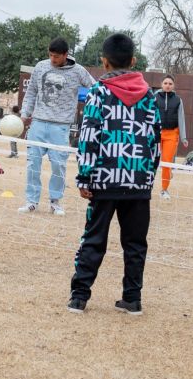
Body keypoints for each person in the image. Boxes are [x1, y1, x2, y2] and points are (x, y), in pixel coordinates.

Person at [68, 33, 160, 316]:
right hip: (138, 182)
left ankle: (79, 297)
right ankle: (132, 299)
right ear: (133, 61)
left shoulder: (98, 93)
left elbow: (89, 136)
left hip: (103, 180)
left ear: (104, 62)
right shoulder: (150, 96)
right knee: (135, 243)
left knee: (94, 238)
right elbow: (155, 140)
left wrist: (85, 176)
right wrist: (148, 178)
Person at [19, 37, 95, 215]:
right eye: (51, 55)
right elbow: (31, 93)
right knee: (32, 164)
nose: (53, 59)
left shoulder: (78, 71)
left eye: (57, 57)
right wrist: (24, 114)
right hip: (38, 123)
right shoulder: (41, 66)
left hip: (61, 126)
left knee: (58, 165)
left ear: (66, 55)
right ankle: (31, 201)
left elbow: (95, 87)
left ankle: (55, 202)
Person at [154, 75, 188, 200]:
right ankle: (147, 186)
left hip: (172, 134)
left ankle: (164, 189)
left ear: (173, 86)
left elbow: (181, 119)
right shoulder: (154, 97)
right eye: (165, 83)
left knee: (167, 163)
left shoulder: (178, 100)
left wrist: (183, 137)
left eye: (170, 83)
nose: (168, 85)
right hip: (156, 133)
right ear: (161, 84)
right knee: (151, 161)